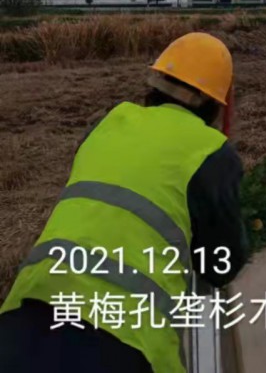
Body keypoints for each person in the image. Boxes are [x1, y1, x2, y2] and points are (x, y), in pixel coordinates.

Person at [0, 31, 250, 373]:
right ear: (216, 103)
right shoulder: (210, 151)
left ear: (155, 85)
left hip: (24, 320)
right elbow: (221, 265)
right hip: (122, 343)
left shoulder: (108, 124)